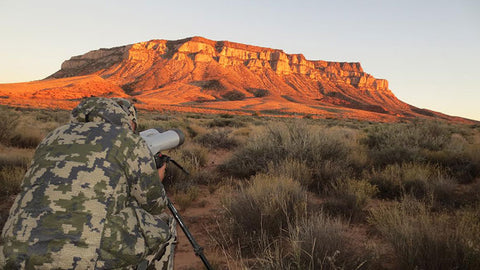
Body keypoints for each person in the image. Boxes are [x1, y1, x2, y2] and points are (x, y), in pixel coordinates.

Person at [0, 97, 176, 269]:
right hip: (81, 255)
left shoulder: (52, 137)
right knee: (163, 226)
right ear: (126, 120)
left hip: (15, 250)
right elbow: (154, 205)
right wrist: (158, 175)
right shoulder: (127, 140)